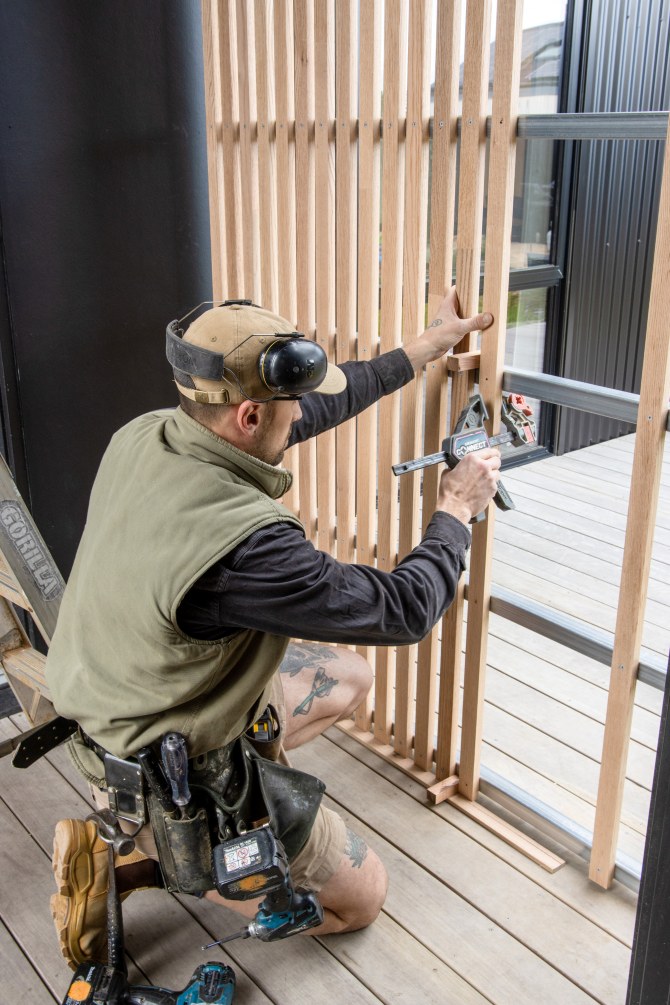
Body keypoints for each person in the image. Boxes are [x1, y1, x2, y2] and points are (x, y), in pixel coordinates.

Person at [45, 289, 500, 969]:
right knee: (362, 900)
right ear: (251, 414)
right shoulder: (245, 547)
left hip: (116, 708)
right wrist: (457, 509)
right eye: (292, 405)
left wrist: (422, 349)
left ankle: (150, 838)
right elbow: (404, 608)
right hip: (171, 773)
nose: (303, 414)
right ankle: (152, 857)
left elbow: (319, 407)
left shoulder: (148, 434)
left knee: (350, 677)